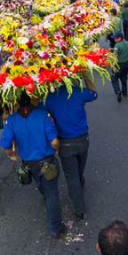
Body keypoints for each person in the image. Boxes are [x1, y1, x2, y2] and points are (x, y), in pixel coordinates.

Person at [2, 92, 65, 237]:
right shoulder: (43, 115)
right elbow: (54, 142)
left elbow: (5, 144)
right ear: (32, 102)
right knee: (52, 194)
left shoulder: (11, 120)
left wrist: (11, 155)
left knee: (42, 186)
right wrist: (57, 149)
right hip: (47, 161)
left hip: (29, 164)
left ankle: (46, 200)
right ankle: (55, 228)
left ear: (17, 103)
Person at [44, 79, 97, 221]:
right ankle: (79, 187)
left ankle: (79, 209)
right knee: (79, 170)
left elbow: (42, 113)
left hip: (64, 144)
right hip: (82, 141)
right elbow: (94, 93)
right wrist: (86, 75)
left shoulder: (49, 97)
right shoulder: (79, 92)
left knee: (71, 176)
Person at [111, 32, 128, 102]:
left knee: (114, 78)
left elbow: (115, 56)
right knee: (124, 78)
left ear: (120, 38)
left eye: (115, 38)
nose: (114, 39)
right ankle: (124, 92)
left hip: (118, 64)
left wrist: (113, 65)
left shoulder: (117, 45)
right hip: (126, 64)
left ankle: (118, 91)